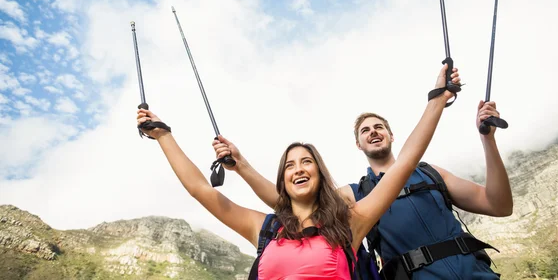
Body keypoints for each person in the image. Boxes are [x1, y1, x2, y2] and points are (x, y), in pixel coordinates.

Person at [137, 65, 460, 279]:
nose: (298, 169)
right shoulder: (263, 229)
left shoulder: (351, 224)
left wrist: (437, 100)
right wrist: (164, 136)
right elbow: (200, 189)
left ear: (320, 175)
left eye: (306, 161)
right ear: (284, 181)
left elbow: (404, 164)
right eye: (289, 165)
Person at [213, 80, 511, 279]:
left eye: (378, 126)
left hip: (475, 274)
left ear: (391, 135)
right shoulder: (353, 196)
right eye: (365, 130)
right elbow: (291, 200)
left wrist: (488, 140)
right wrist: (242, 166)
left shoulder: (432, 173)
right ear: (359, 144)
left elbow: (499, 205)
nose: (373, 131)